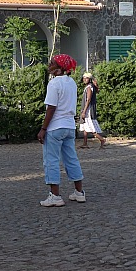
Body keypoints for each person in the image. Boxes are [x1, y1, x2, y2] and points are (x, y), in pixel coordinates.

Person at [37, 54, 86, 207]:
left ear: (59, 68)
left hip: (55, 127)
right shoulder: (72, 83)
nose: (49, 65)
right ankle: (79, 192)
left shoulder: (54, 84)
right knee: (71, 159)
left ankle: (55, 195)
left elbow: (51, 107)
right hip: (69, 126)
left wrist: (43, 128)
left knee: (51, 160)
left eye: (52, 63)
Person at [79, 73, 106, 149]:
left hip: (88, 110)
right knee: (85, 126)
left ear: (89, 79)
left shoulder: (89, 87)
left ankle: (101, 139)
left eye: (86, 78)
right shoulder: (90, 86)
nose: (84, 79)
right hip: (88, 109)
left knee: (90, 126)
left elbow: (88, 100)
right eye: (84, 78)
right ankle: (85, 143)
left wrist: (84, 111)